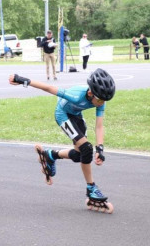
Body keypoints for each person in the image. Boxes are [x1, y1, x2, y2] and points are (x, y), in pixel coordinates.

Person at [8, 68, 116, 211]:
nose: (102, 103)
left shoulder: (101, 100)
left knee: (79, 156)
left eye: (105, 100)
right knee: (86, 148)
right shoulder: (76, 96)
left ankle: (50, 155)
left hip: (75, 114)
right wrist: (23, 80)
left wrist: (100, 148)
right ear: (90, 93)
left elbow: (99, 126)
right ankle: (91, 188)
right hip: (62, 114)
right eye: (100, 99)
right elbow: (49, 88)